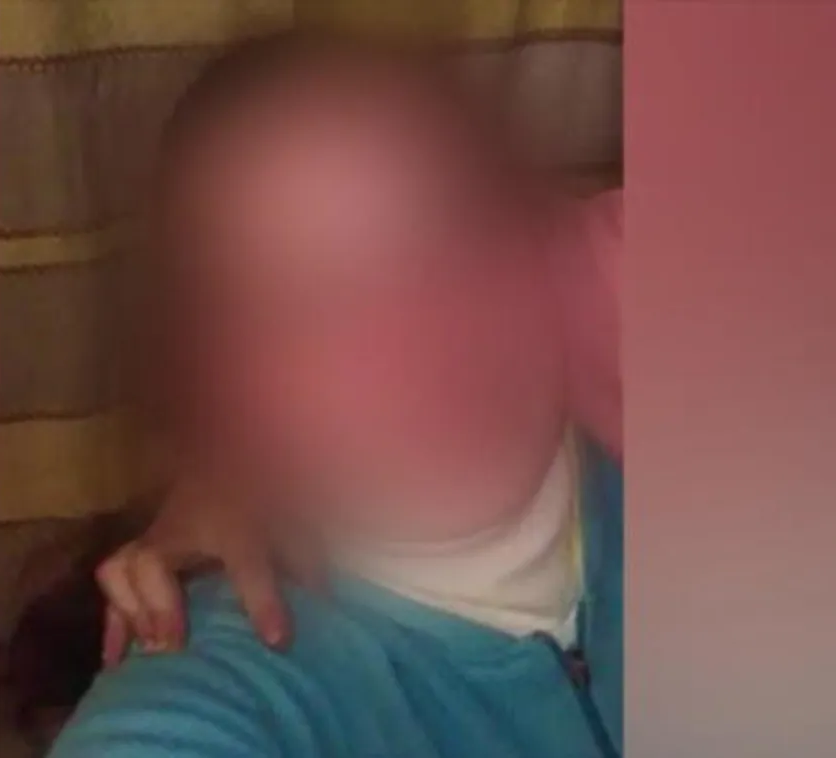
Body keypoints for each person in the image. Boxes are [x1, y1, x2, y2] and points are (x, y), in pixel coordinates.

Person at [49, 31, 623, 758]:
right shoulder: (223, 693)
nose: (417, 340)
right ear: (222, 387)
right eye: (309, 305)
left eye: (453, 235)